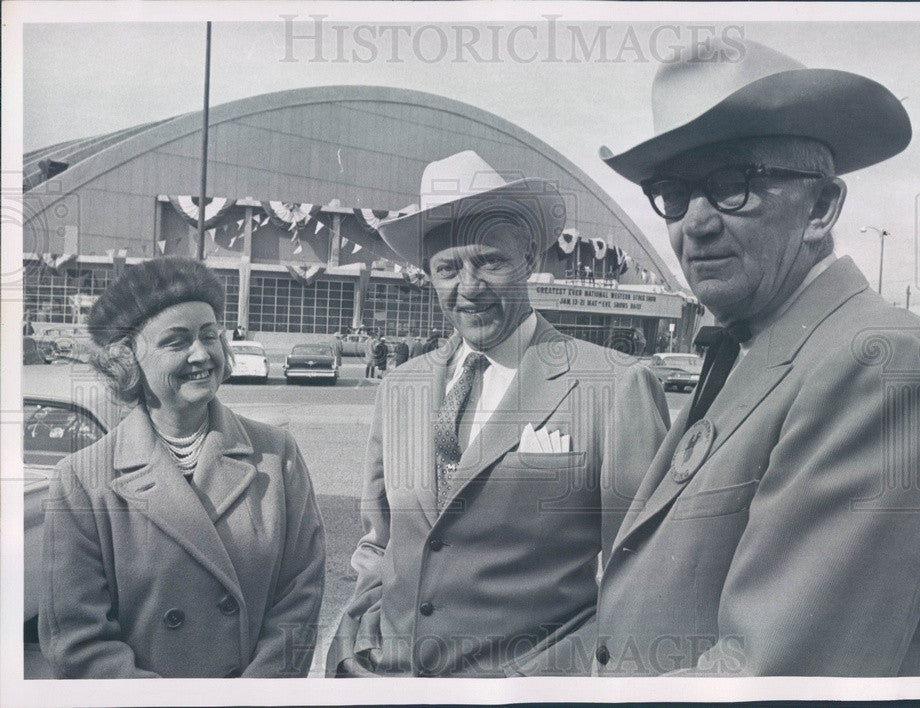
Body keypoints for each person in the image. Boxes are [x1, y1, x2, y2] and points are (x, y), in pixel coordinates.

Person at [592, 38, 920, 677]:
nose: (696, 222)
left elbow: (774, 675)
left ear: (821, 208)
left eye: (732, 184)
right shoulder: (754, 342)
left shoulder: (880, 365)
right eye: (674, 193)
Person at [327, 150, 670, 678]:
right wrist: (355, 642)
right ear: (429, 275)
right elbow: (381, 541)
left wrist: (550, 679)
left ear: (530, 257)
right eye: (447, 268)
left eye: (490, 261)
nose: (469, 287)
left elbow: (644, 579)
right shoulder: (402, 387)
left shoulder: (614, 386)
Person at [39, 256, 326, 678]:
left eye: (209, 335)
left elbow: (300, 597)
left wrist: (257, 695)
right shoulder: (83, 480)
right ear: (127, 359)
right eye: (177, 341)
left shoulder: (275, 453)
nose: (201, 354)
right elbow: (77, 640)